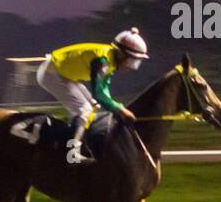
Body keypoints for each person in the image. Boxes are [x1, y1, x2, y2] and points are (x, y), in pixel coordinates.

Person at [36, 28, 149, 163]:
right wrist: (121, 110)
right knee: (84, 110)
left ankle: (80, 142)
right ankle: (71, 153)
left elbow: (104, 91)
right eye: (131, 60)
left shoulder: (110, 60)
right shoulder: (102, 61)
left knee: (93, 106)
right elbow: (99, 94)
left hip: (65, 75)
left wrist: (116, 108)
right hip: (51, 73)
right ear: (121, 54)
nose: (131, 65)